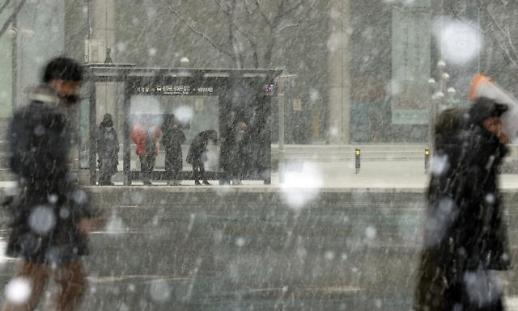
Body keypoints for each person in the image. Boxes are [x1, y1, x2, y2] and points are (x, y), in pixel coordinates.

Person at [3, 57, 104, 311]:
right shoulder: (51, 118)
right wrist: (82, 209)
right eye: (73, 87)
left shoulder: (25, 114)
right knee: (67, 284)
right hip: (50, 215)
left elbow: (24, 164)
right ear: (59, 83)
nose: (75, 94)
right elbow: (55, 170)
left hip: (36, 212)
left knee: (36, 283)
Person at [415, 97, 511, 311]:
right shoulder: (473, 158)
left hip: (464, 268)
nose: (500, 129)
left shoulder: (473, 159)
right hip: (467, 269)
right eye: (493, 123)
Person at [131, 115, 161, 185]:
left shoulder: (154, 127)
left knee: (150, 165)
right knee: (145, 165)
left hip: (150, 149)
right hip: (144, 149)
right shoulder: (138, 127)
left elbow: (159, 135)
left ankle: (147, 178)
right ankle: (146, 179)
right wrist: (140, 141)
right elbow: (134, 137)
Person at [161, 114, 186, 186]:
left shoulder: (167, 132)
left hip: (169, 151)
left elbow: (163, 141)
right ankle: (176, 180)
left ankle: (170, 180)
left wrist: (168, 145)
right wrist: (177, 143)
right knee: (177, 166)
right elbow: (183, 140)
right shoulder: (179, 132)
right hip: (177, 151)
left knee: (169, 166)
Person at [96, 113, 119, 186]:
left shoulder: (113, 131)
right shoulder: (101, 130)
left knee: (110, 167)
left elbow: (115, 141)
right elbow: (99, 142)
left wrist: (116, 148)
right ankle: (102, 180)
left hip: (111, 153)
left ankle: (107, 180)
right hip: (104, 153)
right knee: (104, 167)